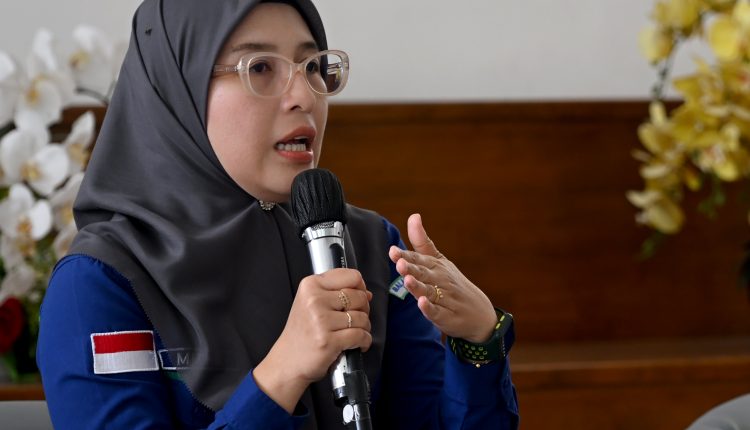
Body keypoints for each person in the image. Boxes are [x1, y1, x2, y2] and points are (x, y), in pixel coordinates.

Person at [36, 0, 519, 428]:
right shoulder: (101, 284)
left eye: (313, 66)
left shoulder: (372, 246)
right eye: (261, 67)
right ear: (177, 88)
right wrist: (280, 375)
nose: (305, 96)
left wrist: (477, 340)